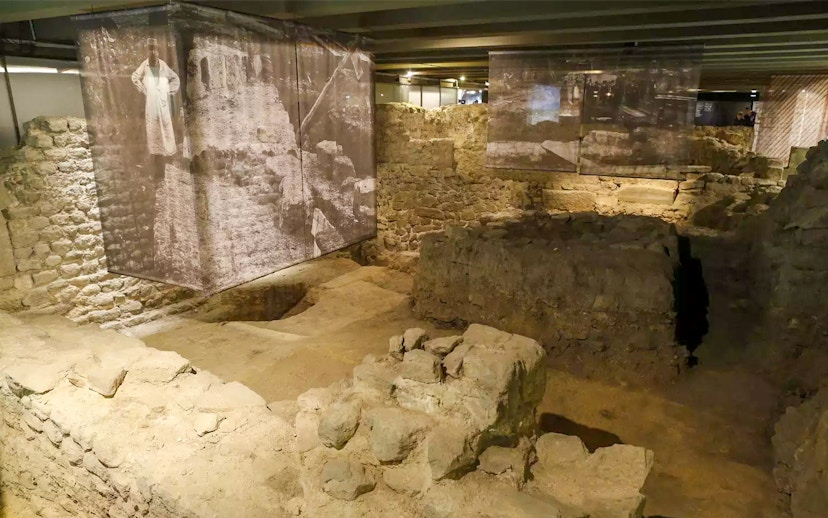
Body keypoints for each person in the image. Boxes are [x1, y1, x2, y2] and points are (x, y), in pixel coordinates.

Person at [131, 38, 180, 169]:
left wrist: (169, 90)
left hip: (162, 103)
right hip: (151, 102)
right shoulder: (145, 65)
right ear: (147, 52)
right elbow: (134, 77)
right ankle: (155, 157)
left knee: (165, 127)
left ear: (158, 51)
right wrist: (143, 89)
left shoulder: (163, 65)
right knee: (153, 129)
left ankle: (167, 155)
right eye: (150, 50)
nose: (153, 52)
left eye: (155, 49)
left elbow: (175, 78)